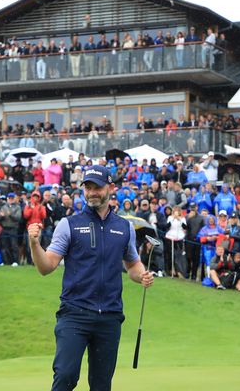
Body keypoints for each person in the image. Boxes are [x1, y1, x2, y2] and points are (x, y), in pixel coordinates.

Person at [28, 165, 153, 391]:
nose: (92, 192)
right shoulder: (69, 225)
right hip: (75, 313)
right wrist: (35, 244)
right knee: (65, 376)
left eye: (97, 187)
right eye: (88, 187)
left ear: (111, 188)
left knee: (101, 384)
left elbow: (133, 264)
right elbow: (46, 267)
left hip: (110, 317)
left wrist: (141, 275)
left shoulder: (125, 227)